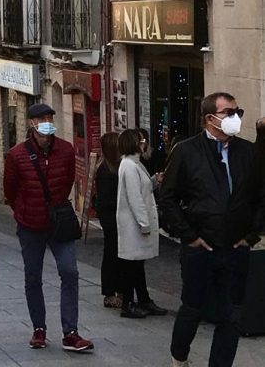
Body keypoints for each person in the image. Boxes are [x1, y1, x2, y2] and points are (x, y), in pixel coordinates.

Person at [160, 92, 265, 367]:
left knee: (231, 315)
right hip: (200, 247)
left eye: (237, 112)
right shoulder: (186, 151)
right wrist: (189, 236)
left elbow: (261, 196)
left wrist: (251, 235)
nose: (235, 118)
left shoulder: (248, 152)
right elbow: (167, 197)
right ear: (210, 119)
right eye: (228, 113)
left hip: (235, 248)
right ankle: (179, 356)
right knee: (192, 308)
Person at [3, 103, 93, 352]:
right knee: (33, 277)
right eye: (42, 118)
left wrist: (54, 207)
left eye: (50, 117)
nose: (47, 122)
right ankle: (39, 329)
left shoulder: (65, 150)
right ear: (31, 123)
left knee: (70, 272)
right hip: (30, 224)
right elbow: (9, 189)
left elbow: (67, 183)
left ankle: (71, 331)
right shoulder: (16, 155)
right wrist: (22, 212)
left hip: (58, 223)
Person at [116, 129, 167, 319]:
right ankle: (128, 302)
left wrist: (154, 180)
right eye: (141, 141)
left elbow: (142, 188)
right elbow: (135, 197)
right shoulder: (129, 166)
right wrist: (144, 222)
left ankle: (143, 299)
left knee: (137, 265)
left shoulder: (135, 164)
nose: (144, 143)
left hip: (136, 224)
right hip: (133, 225)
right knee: (131, 266)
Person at [94, 132, 122, 309]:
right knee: (111, 253)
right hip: (111, 217)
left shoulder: (116, 166)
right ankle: (110, 293)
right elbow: (105, 199)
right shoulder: (105, 170)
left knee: (118, 255)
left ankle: (119, 290)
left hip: (116, 215)